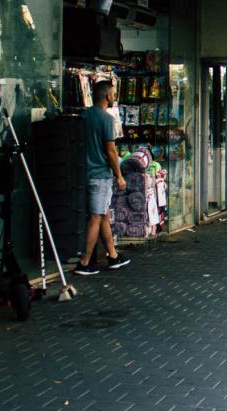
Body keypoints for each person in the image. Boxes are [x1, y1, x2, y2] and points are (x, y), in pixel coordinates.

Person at [75, 81, 131, 277]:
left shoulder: (84, 116)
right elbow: (111, 150)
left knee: (104, 214)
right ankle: (85, 262)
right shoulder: (106, 119)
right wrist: (119, 175)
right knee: (96, 217)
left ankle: (113, 255)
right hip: (100, 176)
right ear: (108, 96)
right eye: (113, 93)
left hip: (86, 173)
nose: (114, 96)